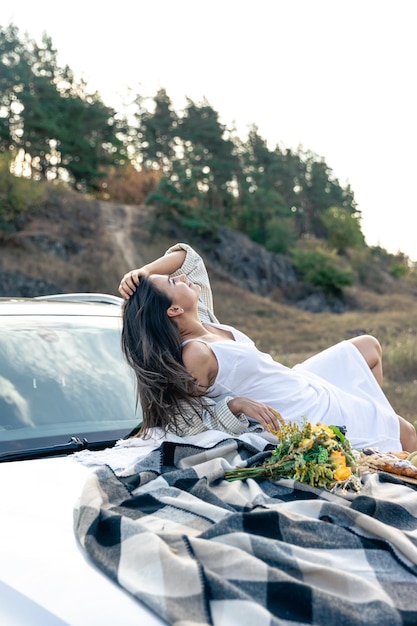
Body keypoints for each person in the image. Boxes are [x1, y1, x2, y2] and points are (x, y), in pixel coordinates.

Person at [119, 243, 417, 453]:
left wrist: (143, 272)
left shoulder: (206, 321)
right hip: (300, 410)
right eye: (174, 281)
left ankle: (374, 430)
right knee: (406, 434)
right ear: (173, 311)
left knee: (368, 347)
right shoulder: (195, 353)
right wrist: (233, 406)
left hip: (299, 380)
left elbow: (189, 258)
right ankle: (380, 442)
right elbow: (187, 422)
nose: (183, 277)